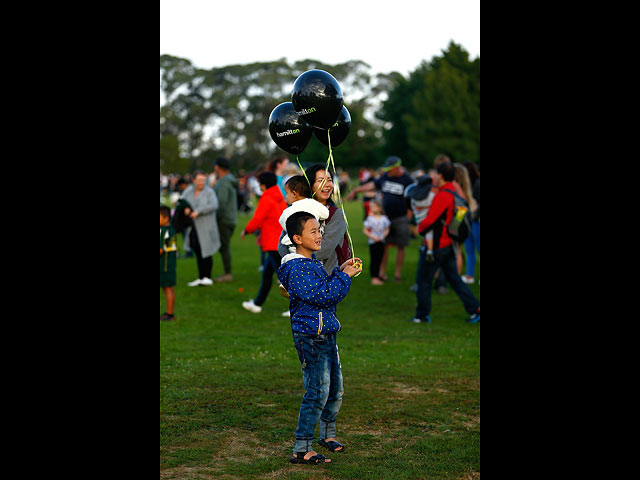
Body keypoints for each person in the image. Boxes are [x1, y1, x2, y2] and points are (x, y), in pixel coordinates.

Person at [277, 211, 362, 465]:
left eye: (319, 230)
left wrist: (341, 270)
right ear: (297, 238)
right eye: (313, 231)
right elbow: (324, 295)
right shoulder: (296, 268)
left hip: (327, 335)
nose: (319, 234)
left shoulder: (311, 263)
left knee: (335, 390)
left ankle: (328, 435)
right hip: (311, 339)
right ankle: (302, 448)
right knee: (317, 392)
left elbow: (325, 287)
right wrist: (344, 277)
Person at [413, 162, 480, 324]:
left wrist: (419, 228)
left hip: (436, 246)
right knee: (455, 280)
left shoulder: (443, 195)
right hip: (449, 244)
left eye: (436, 173)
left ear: (441, 176)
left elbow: (430, 220)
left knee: (423, 281)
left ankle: (421, 315)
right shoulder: (455, 192)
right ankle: (475, 309)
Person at [347, 156, 414, 282]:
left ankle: (397, 274)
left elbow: (412, 198)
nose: (388, 172)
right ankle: (382, 273)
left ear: (397, 168)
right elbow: (372, 185)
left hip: (401, 218)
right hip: (385, 217)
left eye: (390, 169)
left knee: (401, 246)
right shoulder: (385, 177)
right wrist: (356, 190)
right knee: (384, 246)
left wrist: (409, 216)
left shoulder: (407, 180)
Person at [283, 164, 348, 276]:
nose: (327, 184)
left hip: (327, 278)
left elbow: (326, 249)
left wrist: (297, 257)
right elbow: (282, 246)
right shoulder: (295, 210)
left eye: (329, 180)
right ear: (310, 184)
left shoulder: (336, 214)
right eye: (320, 180)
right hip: (299, 277)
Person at [241, 171, 288, 314]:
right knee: (267, 274)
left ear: (263, 184)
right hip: (278, 240)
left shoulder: (266, 198)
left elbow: (257, 219)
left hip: (272, 242)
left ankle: (299, 307)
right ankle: (257, 303)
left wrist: (247, 230)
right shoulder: (279, 197)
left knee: (285, 278)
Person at [182, 171, 221, 286]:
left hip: (207, 226)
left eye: (203, 180)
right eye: (199, 180)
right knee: (197, 249)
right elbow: (182, 201)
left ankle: (207, 277)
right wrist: (186, 209)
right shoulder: (189, 191)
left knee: (206, 250)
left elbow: (214, 205)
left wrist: (199, 211)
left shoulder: (209, 192)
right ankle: (201, 277)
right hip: (193, 227)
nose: (201, 183)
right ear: (193, 180)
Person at [213, 157, 239, 283]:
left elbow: (221, 204)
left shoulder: (224, 182)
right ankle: (227, 273)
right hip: (231, 218)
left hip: (224, 219)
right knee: (224, 246)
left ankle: (227, 274)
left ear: (217, 167)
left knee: (224, 247)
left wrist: (215, 219)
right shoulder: (230, 180)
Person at [362, 200, 391, 285]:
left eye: (374, 206)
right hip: (373, 242)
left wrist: (383, 236)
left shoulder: (384, 218)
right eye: (371, 207)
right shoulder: (370, 219)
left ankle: (379, 275)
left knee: (380, 259)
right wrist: (373, 237)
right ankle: (374, 277)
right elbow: (365, 230)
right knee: (374, 259)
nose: (372, 208)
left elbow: (387, 229)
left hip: (381, 241)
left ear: (379, 208)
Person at [462, 162, 480, 284]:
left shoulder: (477, 184)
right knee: (468, 248)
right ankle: (469, 275)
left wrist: (474, 215)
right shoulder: (464, 186)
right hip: (468, 219)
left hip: (476, 220)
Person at [160, 205, 178, 321]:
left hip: (164, 266)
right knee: (169, 288)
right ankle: (170, 313)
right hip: (171, 265)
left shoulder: (163, 232)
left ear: (166, 218)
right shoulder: (172, 230)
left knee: (167, 288)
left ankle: (169, 314)